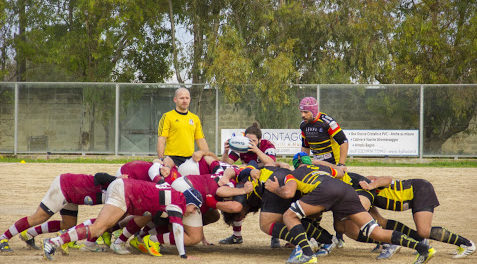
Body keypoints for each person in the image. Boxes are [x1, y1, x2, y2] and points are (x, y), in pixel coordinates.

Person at [42, 177, 203, 260]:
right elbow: (178, 229)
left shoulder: (175, 196)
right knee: (99, 227)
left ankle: (115, 242)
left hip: (126, 189)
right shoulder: (179, 202)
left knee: (110, 224)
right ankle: (54, 242)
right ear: (189, 201)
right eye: (195, 207)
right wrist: (183, 254)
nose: (193, 211)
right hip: (125, 192)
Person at [359, 176, 476, 259]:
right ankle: (417, 241)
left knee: (424, 230)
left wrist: (371, 185)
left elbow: (388, 179)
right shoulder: (357, 197)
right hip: (412, 196)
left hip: (419, 189)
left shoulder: (360, 182)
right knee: (382, 222)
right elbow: (379, 221)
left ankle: (467, 244)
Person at [0, 173, 110, 253]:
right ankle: (3, 238)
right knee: (38, 217)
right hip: (65, 186)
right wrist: (115, 179)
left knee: (68, 224)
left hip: (74, 194)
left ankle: (29, 234)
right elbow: (100, 176)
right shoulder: (118, 186)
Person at [299, 96, 349, 247]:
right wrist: (302, 163)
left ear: (313, 111)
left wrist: (341, 164)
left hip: (333, 167)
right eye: (301, 112)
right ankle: (315, 233)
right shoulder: (303, 126)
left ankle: (339, 237)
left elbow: (344, 142)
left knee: (338, 201)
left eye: (306, 112)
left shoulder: (328, 122)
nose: (303, 115)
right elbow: (305, 147)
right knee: (315, 198)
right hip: (318, 166)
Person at [220, 122, 279, 247]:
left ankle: (276, 237)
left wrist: (256, 150)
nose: (250, 142)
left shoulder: (268, 145)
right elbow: (227, 163)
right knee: (239, 202)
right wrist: (225, 152)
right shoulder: (240, 145)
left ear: (259, 140)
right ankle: (237, 236)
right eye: (248, 139)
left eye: (253, 140)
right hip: (248, 177)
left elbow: (271, 163)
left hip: (264, 177)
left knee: (273, 204)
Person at [157, 87, 209, 167]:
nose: (184, 101)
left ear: (190, 99)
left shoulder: (195, 118)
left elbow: (201, 139)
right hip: (172, 159)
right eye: (181, 98)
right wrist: (161, 159)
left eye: (187, 98)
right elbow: (162, 139)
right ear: (175, 99)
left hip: (190, 159)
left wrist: (206, 156)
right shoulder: (167, 116)